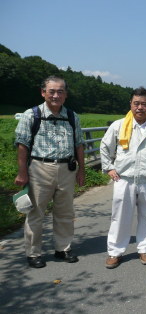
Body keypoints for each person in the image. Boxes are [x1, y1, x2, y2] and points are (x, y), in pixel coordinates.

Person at [14, 76, 85, 268]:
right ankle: (33, 253)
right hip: (39, 168)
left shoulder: (72, 116)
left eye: (60, 91)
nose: (56, 95)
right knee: (36, 212)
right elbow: (22, 145)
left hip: (67, 169)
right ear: (43, 92)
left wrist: (81, 170)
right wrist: (22, 173)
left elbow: (79, 144)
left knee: (65, 211)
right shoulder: (32, 115)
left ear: (66, 95)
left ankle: (63, 248)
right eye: (51, 91)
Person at [100, 87, 146, 269]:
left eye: (144, 104)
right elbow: (104, 147)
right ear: (130, 104)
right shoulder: (118, 125)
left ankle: (145, 248)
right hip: (124, 179)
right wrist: (109, 167)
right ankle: (115, 252)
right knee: (120, 216)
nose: (140, 107)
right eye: (136, 103)